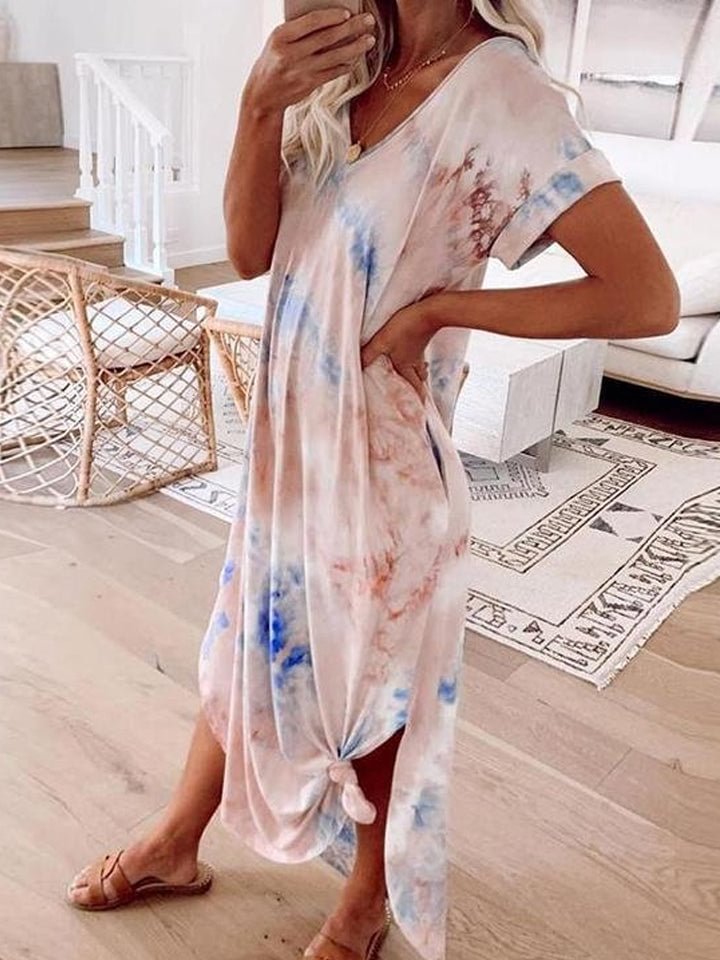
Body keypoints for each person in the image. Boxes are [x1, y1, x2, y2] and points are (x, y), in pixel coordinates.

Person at [65, 2, 679, 959]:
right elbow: (251, 254)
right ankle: (180, 838)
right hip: (290, 435)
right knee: (251, 629)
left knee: (371, 677)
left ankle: (367, 895)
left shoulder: (498, 88)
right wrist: (259, 108)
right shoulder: (344, 62)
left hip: (383, 451)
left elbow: (646, 296)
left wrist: (438, 312)